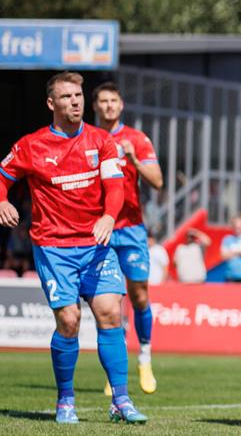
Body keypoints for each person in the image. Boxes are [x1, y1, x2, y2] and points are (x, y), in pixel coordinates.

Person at [0, 71, 147, 424]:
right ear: (51, 103)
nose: (75, 102)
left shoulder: (101, 141)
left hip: (95, 244)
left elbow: (115, 187)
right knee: (70, 321)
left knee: (111, 313)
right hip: (54, 247)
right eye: (66, 97)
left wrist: (109, 216)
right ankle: (65, 400)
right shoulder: (31, 145)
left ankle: (121, 400)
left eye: (78, 96)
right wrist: (1, 202)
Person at [92, 81, 164, 394]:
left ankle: (144, 357)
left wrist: (134, 160)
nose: (109, 105)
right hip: (101, 229)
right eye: (103, 101)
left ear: (121, 105)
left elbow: (158, 181)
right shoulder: (87, 139)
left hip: (132, 228)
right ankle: (115, 369)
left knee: (139, 296)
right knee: (109, 301)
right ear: (96, 106)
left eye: (114, 100)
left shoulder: (136, 139)